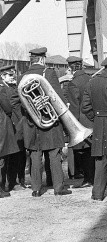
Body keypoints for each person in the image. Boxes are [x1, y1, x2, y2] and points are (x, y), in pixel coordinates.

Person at [19, 47, 71, 196]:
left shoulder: (22, 76)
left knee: (35, 155)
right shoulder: (48, 73)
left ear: (32, 60)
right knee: (54, 154)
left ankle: (35, 189)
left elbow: (19, 102)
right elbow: (57, 97)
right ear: (42, 59)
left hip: (31, 123)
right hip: (50, 122)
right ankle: (58, 188)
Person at [81, 51, 107, 201]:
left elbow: (85, 107)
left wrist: (97, 119)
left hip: (99, 124)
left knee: (100, 159)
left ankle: (97, 194)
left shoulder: (92, 82)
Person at [65, 56, 95, 188]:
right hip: (91, 119)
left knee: (83, 152)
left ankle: (88, 178)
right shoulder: (90, 78)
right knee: (91, 151)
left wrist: (72, 125)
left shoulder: (73, 83)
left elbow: (74, 107)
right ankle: (93, 177)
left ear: (70, 68)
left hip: (81, 121)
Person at [0, 64, 27, 192]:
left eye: (13, 75)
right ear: (2, 76)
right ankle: (12, 182)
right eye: (10, 75)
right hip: (12, 124)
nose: (12, 77)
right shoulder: (6, 90)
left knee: (19, 154)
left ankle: (19, 180)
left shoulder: (11, 88)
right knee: (13, 155)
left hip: (17, 123)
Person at [0, 64, 20, 197]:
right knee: (1, 158)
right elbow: (7, 108)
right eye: (9, 74)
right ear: (2, 76)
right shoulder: (1, 90)